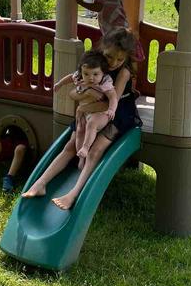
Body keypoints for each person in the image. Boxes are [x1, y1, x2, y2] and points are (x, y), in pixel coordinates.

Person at [22, 28, 141, 210]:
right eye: (109, 56)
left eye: (120, 59)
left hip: (116, 111)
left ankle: (74, 193)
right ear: (102, 48)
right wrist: (82, 98)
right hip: (91, 110)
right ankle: (41, 183)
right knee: (70, 146)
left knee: (96, 150)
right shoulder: (93, 65)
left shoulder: (123, 73)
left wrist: (84, 107)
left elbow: (109, 103)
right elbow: (75, 90)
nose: (114, 63)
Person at [52, 50, 117, 167]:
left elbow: (113, 96)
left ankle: (86, 148)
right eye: (86, 74)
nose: (91, 78)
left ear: (103, 72)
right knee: (80, 130)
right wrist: (59, 84)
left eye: (95, 74)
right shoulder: (79, 76)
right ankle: (81, 158)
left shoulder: (105, 81)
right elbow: (70, 78)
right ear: (81, 71)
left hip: (98, 112)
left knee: (91, 125)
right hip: (84, 111)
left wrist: (112, 109)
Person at [74, 0, 145, 62]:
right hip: (122, 29)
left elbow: (98, 7)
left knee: (113, 55)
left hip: (113, 32)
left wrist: (81, 2)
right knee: (124, 57)